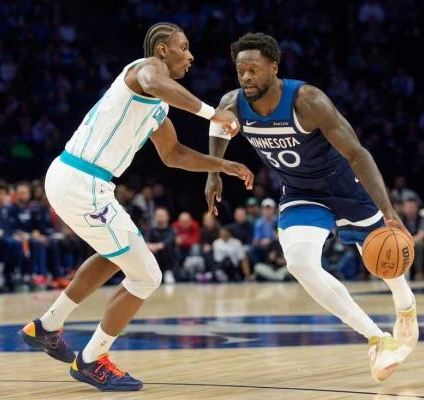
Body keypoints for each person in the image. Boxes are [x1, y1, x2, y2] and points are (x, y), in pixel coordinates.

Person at [18, 22, 253, 392]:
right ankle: (92, 360)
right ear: (162, 49)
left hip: (78, 180)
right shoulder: (145, 70)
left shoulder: (157, 105)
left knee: (114, 255)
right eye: (183, 47)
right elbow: (156, 82)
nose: (190, 56)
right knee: (147, 276)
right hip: (83, 181)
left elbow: (174, 155)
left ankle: (46, 326)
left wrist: (221, 165)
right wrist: (213, 113)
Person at [205, 33, 416, 382]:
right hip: (301, 191)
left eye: (253, 69)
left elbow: (357, 153)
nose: (246, 77)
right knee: (300, 263)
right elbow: (218, 129)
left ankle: (405, 303)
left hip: (345, 186)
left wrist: (389, 211)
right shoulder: (233, 104)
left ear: (274, 67)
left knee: (385, 257)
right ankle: (378, 339)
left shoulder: (308, 101)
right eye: (240, 71)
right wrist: (214, 172)